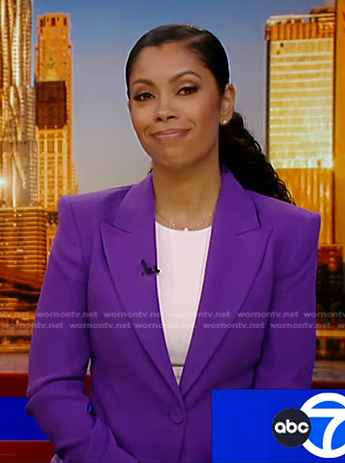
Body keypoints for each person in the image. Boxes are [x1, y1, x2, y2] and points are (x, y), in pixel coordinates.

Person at [26, 24, 321, 463]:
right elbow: (51, 387)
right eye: (145, 96)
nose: (163, 110)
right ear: (130, 110)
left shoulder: (289, 232)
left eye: (185, 89)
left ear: (224, 103)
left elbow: (281, 397)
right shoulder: (83, 223)